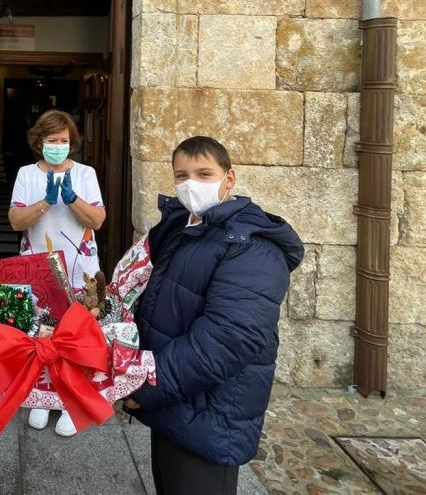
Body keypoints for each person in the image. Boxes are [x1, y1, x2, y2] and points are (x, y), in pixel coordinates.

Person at [123, 136, 304, 495]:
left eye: (204, 173)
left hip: (210, 413)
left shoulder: (251, 248)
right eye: (181, 175)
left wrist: (145, 384)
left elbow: (228, 339)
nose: (191, 184)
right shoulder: (183, 229)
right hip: (175, 402)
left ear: (229, 178)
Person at [7, 109, 106, 437]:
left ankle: (69, 400)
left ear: (72, 143)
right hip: (39, 267)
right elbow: (15, 221)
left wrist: (72, 198)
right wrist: (45, 203)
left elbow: (97, 220)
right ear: (39, 142)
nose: (58, 146)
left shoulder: (85, 173)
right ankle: (42, 397)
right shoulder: (26, 174)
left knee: (74, 336)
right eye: (52, 140)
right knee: (43, 335)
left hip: (80, 270)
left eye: (64, 141)